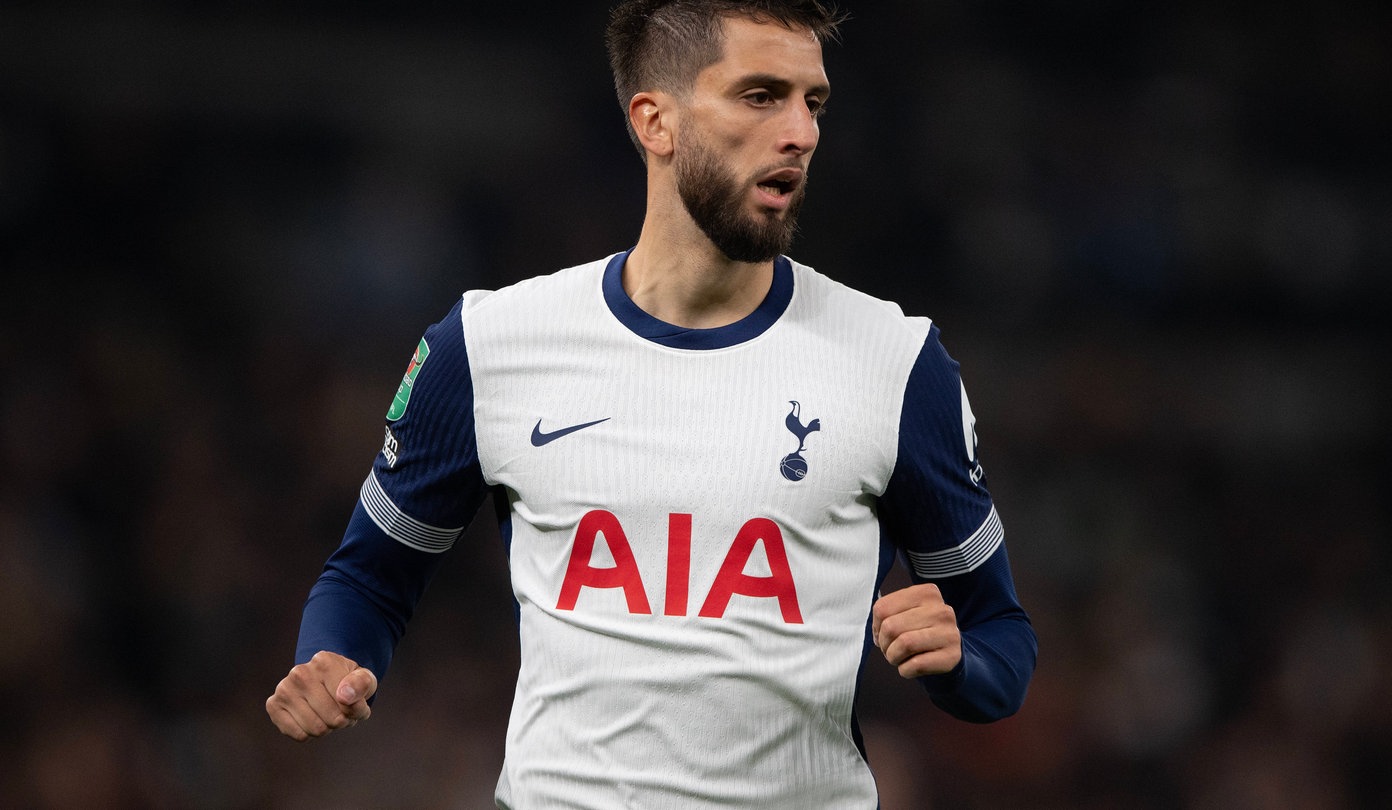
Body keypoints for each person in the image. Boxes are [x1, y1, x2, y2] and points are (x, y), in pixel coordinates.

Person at [265, 1, 1037, 807]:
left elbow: (1001, 641)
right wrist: (330, 660)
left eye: (814, 101)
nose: (801, 133)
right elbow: (368, 578)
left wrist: (957, 668)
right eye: (761, 95)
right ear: (654, 121)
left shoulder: (896, 362)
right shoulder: (491, 344)